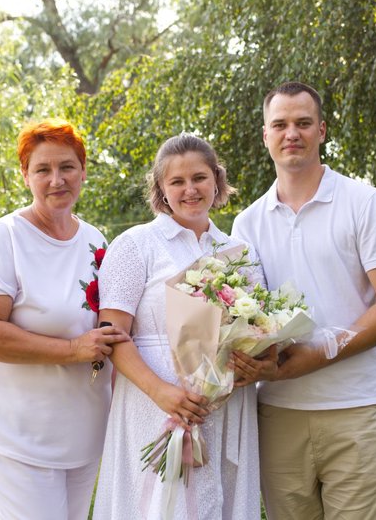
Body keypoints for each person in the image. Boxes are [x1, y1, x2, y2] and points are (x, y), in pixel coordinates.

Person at [230, 81, 376, 520]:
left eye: (302, 123)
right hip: (277, 411)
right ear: (265, 135)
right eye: (280, 124)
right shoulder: (247, 223)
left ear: (322, 131)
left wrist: (317, 354)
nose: (291, 133)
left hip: (356, 408)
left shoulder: (363, 203)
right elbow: (243, 319)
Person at [0, 118, 129, 520]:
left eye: (67, 167)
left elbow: (113, 330)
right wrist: (71, 350)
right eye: (43, 169)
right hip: (17, 439)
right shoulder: (3, 239)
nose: (57, 179)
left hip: (84, 433)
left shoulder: (96, 241)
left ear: (83, 172)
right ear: (25, 176)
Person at [91, 133, 261, 520]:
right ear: (161, 190)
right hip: (152, 400)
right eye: (177, 181)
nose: (190, 190)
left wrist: (254, 361)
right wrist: (163, 393)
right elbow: (112, 335)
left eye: (199, 177)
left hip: (224, 403)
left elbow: (258, 331)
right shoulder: (136, 245)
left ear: (216, 180)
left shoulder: (239, 252)